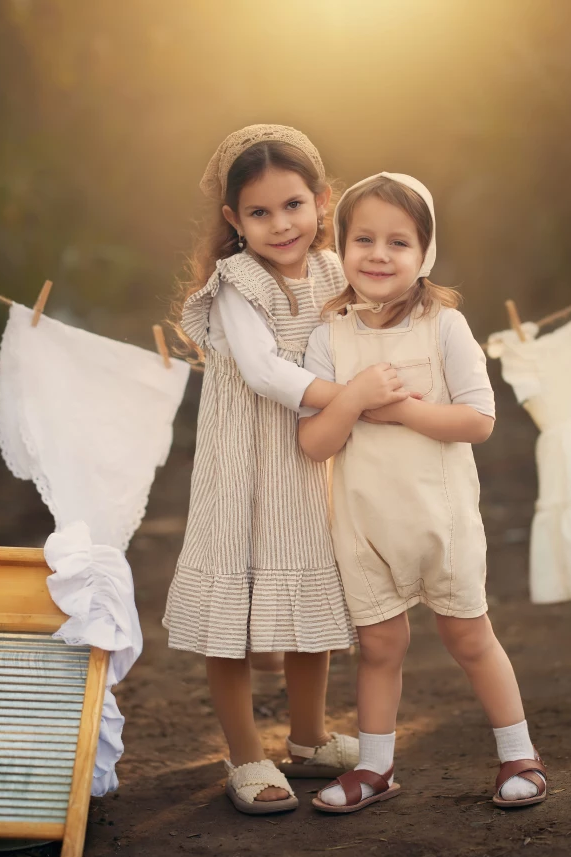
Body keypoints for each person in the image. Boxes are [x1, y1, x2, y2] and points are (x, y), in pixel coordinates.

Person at [163, 127, 410, 814]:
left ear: (323, 201)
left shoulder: (336, 269)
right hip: (246, 460)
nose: (281, 225)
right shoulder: (239, 283)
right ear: (233, 222)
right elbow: (265, 371)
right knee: (235, 599)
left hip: (313, 460)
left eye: (294, 205)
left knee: (315, 589)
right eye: (261, 213)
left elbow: (375, 327)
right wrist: (354, 396)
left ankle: (308, 739)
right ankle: (246, 755)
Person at [297, 172, 547, 813]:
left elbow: (479, 420)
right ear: (341, 245)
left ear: (424, 253)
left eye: (398, 242)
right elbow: (315, 442)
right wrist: (354, 399)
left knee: (469, 636)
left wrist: (403, 411)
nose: (379, 255)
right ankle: (374, 769)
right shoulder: (330, 335)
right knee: (380, 647)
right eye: (364, 239)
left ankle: (520, 755)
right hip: (362, 524)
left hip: (441, 520)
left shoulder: (445, 327)